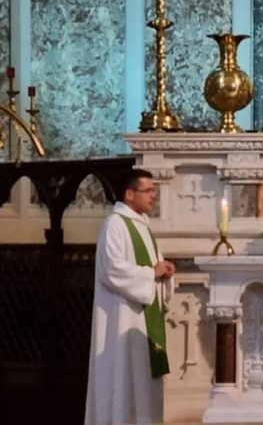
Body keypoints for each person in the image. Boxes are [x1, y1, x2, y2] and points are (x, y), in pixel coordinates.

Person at [85, 168, 175, 425]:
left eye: (154, 190)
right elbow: (111, 269)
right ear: (129, 194)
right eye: (148, 190)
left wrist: (164, 273)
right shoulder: (115, 225)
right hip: (122, 319)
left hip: (142, 321)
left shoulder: (142, 226)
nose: (153, 196)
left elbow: (153, 269)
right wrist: (151, 273)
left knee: (142, 383)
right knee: (122, 380)